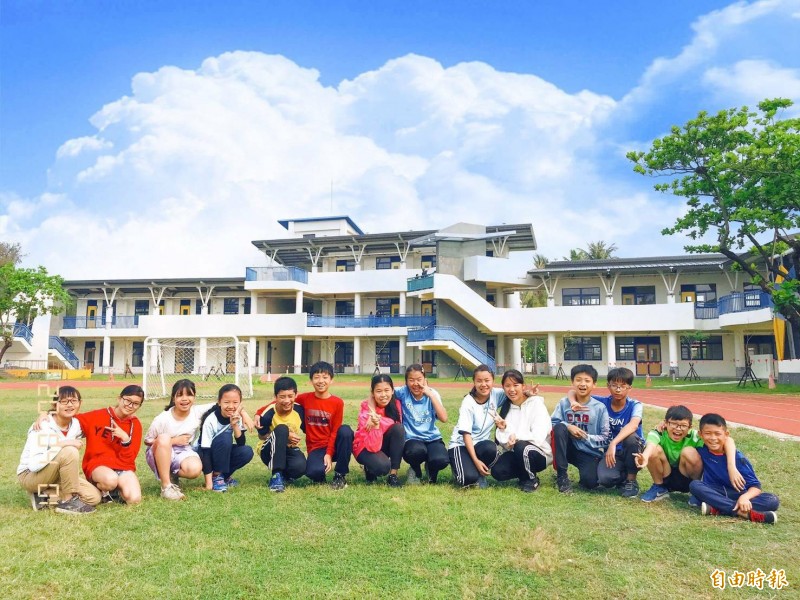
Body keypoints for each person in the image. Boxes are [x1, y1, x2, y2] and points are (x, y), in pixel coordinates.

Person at [17, 386, 101, 514]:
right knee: (69, 451)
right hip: (30, 475)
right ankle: (68, 502)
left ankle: (45, 496)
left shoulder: (76, 425)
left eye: (73, 401)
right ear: (55, 404)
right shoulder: (43, 426)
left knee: (93, 497)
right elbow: (34, 465)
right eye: (64, 401)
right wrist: (63, 444)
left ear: (80, 403)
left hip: (56, 473)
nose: (69, 405)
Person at [635, 405, 741, 504]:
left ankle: (697, 491)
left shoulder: (695, 435)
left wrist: (732, 467)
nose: (678, 428)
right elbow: (651, 445)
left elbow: (728, 440)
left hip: (687, 477)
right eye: (673, 424)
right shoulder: (658, 432)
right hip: (665, 474)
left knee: (688, 451)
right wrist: (645, 456)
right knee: (653, 451)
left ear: (690, 427)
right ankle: (659, 487)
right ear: (665, 423)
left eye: (683, 425)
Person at [568, 367, 644, 498]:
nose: (618, 389)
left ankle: (631, 481)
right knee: (605, 480)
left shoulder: (635, 405)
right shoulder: (602, 402)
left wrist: (613, 443)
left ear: (629, 388)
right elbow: (572, 392)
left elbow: (633, 425)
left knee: (631, 438)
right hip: (612, 452)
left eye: (622, 386)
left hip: (631, 447)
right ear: (608, 386)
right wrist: (573, 402)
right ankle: (623, 476)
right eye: (614, 385)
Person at [691, 413, 779, 524]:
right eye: (708, 433)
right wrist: (663, 427)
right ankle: (743, 513)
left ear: (726, 434)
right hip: (715, 491)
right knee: (695, 485)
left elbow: (756, 487)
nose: (713, 438)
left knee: (772, 500)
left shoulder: (738, 458)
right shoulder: (702, 450)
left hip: (738, 494)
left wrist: (745, 498)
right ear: (701, 434)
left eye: (717, 434)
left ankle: (718, 508)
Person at [75, 384, 146, 504]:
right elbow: (68, 418)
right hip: (98, 465)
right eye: (127, 400)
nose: (130, 406)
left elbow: (129, 460)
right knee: (110, 480)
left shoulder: (135, 425)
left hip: (122, 467)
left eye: (135, 403)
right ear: (119, 398)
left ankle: (114, 492)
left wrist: (125, 439)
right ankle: (99, 489)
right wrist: (45, 414)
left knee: (134, 499)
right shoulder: (98, 415)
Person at [144, 379, 212, 501]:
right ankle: (166, 487)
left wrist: (243, 413)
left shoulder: (196, 411)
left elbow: (222, 403)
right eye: (180, 395)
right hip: (160, 450)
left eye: (189, 394)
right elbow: (148, 441)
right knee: (164, 438)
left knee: (195, 469)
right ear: (173, 398)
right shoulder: (163, 418)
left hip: (183, 450)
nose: (185, 399)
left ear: (194, 396)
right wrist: (174, 441)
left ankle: (171, 475)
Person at [551, 364, 610, 493]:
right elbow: (552, 423)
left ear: (594, 384)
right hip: (567, 447)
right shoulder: (564, 403)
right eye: (578, 380)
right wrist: (568, 426)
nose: (582, 384)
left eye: (587, 381)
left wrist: (585, 437)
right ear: (572, 382)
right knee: (560, 427)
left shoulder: (599, 408)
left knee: (590, 482)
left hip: (588, 451)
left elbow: (606, 438)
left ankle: (588, 474)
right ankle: (562, 476)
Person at [295, 361, 354, 490]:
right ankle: (320, 470)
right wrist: (259, 413)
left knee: (345, 431)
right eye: (316, 377)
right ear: (311, 380)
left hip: (334, 445)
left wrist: (329, 453)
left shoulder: (337, 402)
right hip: (316, 447)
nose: (321, 381)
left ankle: (340, 475)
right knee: (313, 473)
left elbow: (335, 431)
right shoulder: (304, 398)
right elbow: (284, 401)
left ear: (331, 380)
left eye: (325, 377)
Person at [491, 370, 552, 492]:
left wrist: (517, 437)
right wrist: (504, 432)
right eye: (507, 386)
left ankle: (531, 479)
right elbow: (503, 440)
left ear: (523, 386)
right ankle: (524, 473)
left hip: (539, 452)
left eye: (515, 385)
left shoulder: (536, 404)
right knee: (498, 471)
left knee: (521, 446)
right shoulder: (506, 408)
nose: (511, 389)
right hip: (517, 452)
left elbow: (539, 435)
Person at [448, 364, 506, 489]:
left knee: (491, 448)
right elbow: (466, 435)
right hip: (461, 445)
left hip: (481, 445)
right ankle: (460, 468)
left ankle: (479, 473)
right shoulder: (468, 402)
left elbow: (513, 392)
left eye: (487, 380)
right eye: (479, 381)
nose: (483, 384)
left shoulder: (496, 394)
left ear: (492, 381)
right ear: (474, 382)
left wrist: (528, 392)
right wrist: (476, 461)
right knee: (467, 479)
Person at [396, 364, 449, 484]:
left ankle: (430, 468)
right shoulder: (403, 392)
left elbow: (444, 418)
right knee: (416, 452)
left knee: (441, 460)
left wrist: (430, 395)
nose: (416, 384)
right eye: (411, 380)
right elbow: (384, 390)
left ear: (425, 380)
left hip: (432, 438)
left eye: (419, 379)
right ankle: (414, 470)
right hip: (412, 439)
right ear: (406, 382)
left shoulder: (433, 393)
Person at [197, 384, 254, 492]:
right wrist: (209, 483)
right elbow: (205, 450)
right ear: (219, 402)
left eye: (235, 402)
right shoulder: (210, 420)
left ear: (240, 404)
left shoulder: (236, 416)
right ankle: (216, 477)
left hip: (221, 451)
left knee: (246, 451)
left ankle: (223, 477)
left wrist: (235, 425)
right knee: (225, 437)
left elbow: (241, 443)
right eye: (226, 402)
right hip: (204, 453)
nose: (231, 406)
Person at [255, 376, 307, 493]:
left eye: (290, 396)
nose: (287, 400)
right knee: (282, 429)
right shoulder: (268, 413)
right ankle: (276, 476)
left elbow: (307, 430)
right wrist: (283, 436)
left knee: (301, 467)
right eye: (282, 397)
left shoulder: (299, 410)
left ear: (296, 395)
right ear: (275, 397)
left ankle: (285, 476)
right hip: (268, 451)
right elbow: (261, 436)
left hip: (289, 449)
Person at [353, 374, 405, 487]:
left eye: (387, 390)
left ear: (392, 391)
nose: (383, 395)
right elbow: (373, 447)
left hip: (381, 442)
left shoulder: (396, 405)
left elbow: (396, 428)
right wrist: (376, 426)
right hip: (365, 447)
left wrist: (379, 421)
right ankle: (369, 467)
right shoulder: (366, 408)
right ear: (372, 393)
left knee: (399, 429)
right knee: (382, 468)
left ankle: (393, 475)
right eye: (378, 391)